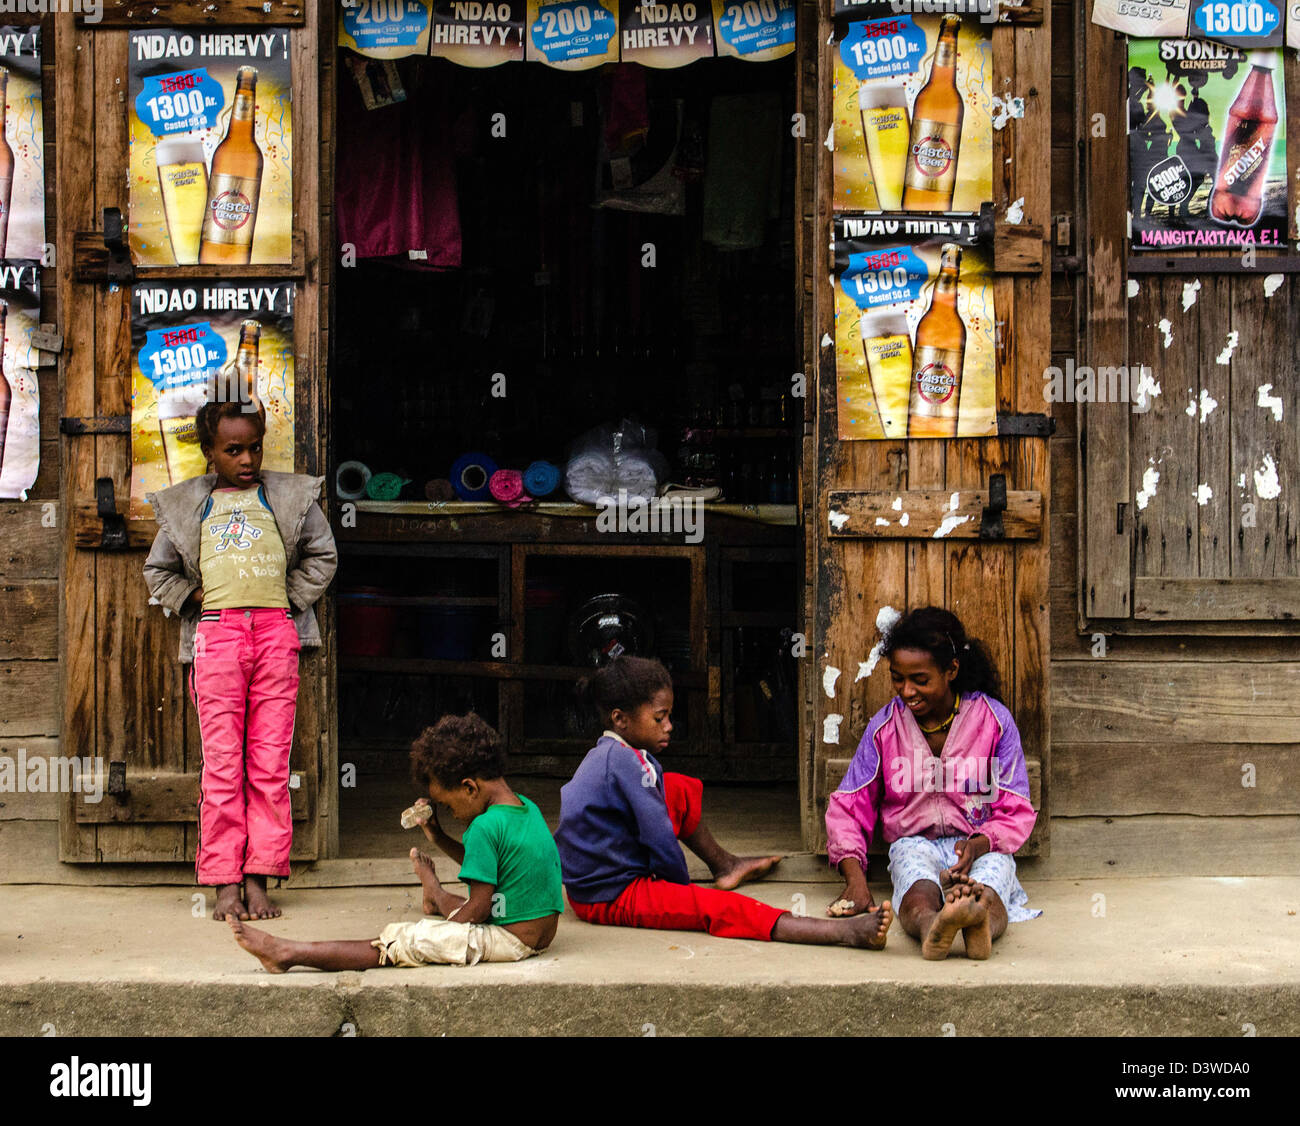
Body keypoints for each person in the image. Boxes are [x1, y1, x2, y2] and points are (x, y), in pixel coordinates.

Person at [143, 399, 337, 922]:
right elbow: (157, 572)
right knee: (224, 767)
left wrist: (290, 599)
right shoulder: (188, 506)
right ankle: (225, 880)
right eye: (233, 450)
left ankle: (259, 877)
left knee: (269, 766)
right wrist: (194, 597)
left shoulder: (290, 498)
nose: (246, 459)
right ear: (209, 452)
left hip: (276, 635)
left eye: (254, 447)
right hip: (218, 639)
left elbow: (323, 555)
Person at [555, 656, 893, 949]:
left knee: (678, 789)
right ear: (619, 719)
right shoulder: (629, 763)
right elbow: (658, 835)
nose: (669, 726)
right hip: (610, 896)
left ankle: (725, 865)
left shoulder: (607, 753)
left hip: (594, 880)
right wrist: (678, 892)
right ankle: (842, 932)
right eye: (660, 718)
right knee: (719, 908)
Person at [229, 714, 564, 972]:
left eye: (448, 806)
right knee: (464, 908)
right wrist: (437, 836)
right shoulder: (525, 807)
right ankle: (437, 896)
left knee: (400, 940)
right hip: (539, 934)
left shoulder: (483, 826)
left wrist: (441, 933)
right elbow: (488, 864)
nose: (453, 814)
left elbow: (480, 908)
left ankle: (286, 953)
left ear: (469, 788)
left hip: (513, 940)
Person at [825, 607, 1039, 960]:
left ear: (951, 670)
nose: (907, 691)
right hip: (914, 842)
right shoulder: (885, 728)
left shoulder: (993, 722)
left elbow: (1015, 807)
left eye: (920, 680)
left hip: (981, 845)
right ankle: (932, 927)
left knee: (989, 891)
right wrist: (855, 880)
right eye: (897, 678)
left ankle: (980, 923)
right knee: (917, 894)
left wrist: (980, 844)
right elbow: (850, 806)